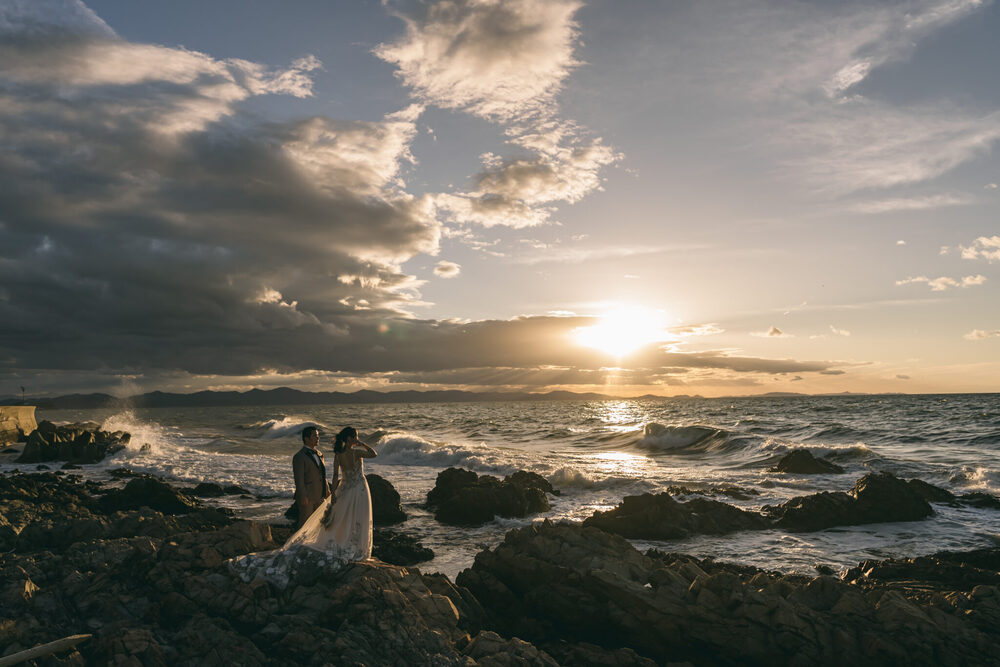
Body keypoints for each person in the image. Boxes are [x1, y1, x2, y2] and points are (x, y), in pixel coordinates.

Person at [282, 426, 377, 561]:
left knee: (340, 518)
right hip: (358, 489)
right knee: (355, 517)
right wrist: (362, 444)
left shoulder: (336, 454)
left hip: (343, 489)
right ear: (350, 439)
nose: (318, 438)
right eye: (315, 435)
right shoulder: (356, 453)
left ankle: (309, 545)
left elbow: (332, 476)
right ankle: (297, 548)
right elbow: (374, 454)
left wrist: (332, 493)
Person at [292, 426, 330, 528]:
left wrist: (326, 487)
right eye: (315, 436)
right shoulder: (299, 456)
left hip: (320, 494)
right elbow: (299, 479)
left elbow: (322, 473)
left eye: (318, 436)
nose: (318, 438)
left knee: (318, 523)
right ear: (306, 438)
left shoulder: (320, 454)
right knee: (305, 523)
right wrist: (303, 496)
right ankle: (299, 543)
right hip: (308, 496)